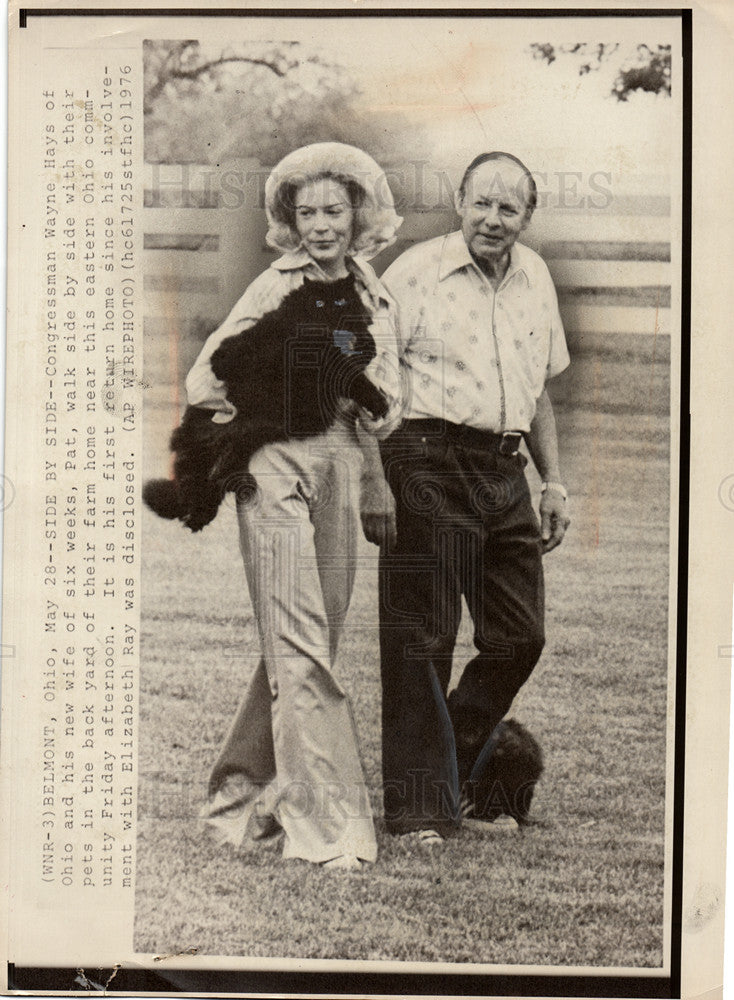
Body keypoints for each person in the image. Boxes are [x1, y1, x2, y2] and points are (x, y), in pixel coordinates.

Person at [188, 143, 402, 871]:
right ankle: (328, 834)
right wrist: (272, 415)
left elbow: (390, 401)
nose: (320, 225)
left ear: (358, 215)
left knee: (309, 640)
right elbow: (203, 383)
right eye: (306, 212)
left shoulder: (374, 291)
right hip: (276, 462)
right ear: (289, 220)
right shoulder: (273, 286)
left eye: (333, 211)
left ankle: (236, 802)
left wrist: (368, 454)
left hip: (344, 458)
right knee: (301, 645)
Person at [376, 151, 571, 843]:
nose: (493, 218)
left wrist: (552, 481)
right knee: (423, 636)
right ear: (461, 202)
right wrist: (381, 475)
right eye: (481, 202)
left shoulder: (535, 276)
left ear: (527, 215)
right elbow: (371, 375)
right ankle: (418, 811)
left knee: (521, 635)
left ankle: (445, 771)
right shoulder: (415, 272)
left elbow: (539, 386)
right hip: (424, 455)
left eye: (508, 207)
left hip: (504, 465)